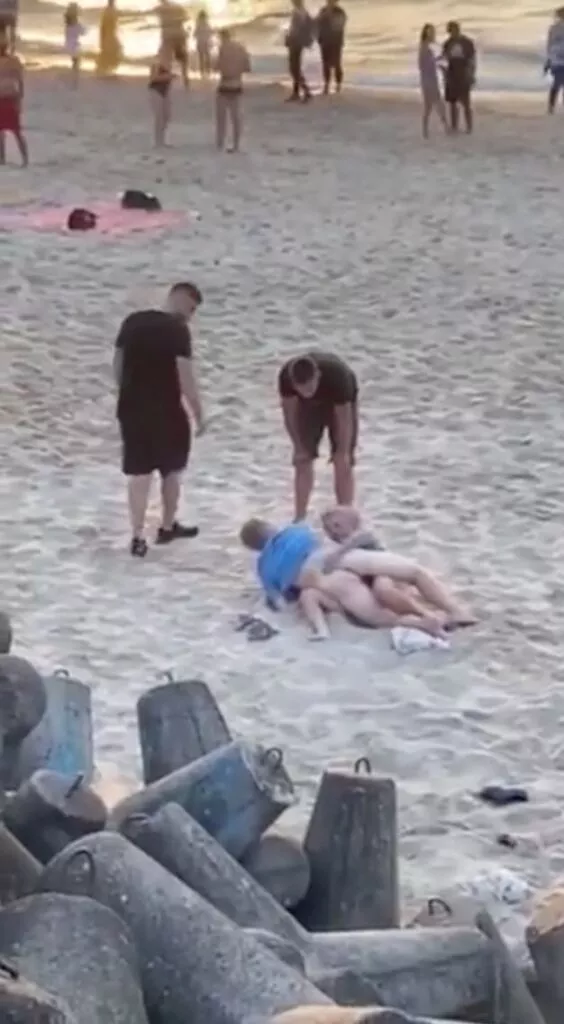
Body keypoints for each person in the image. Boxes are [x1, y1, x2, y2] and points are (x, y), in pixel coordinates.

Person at [240, 518, 473, 640]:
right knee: (414, 572)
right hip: (334, 556)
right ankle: (456, 610)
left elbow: (280, 602)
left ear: (256, 549)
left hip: (320, 578)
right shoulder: (294, 530)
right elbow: (323, 539)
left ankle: (425, 623)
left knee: (381, 617)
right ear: (270, 527)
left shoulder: (264, 567)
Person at [113, 282, 206, 557]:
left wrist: (126, 392)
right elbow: (185, 377)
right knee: (172, 470)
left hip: (131, 409)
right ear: (180, 298)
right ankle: (166, 526)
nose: (190, 316)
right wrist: (199, 414)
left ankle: (137, 536)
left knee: (139, 474)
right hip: (167, 411)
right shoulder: (177, 330)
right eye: (191, 309)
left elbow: (117, 363)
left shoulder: (132, 321)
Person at [278, 351, 357, 521]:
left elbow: (344, 419)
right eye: (302, 389)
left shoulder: (338, 377)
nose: (307, 392)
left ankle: (345, 514)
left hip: (339, 402)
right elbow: (289, 414)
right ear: (294, 384)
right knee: (302, 459)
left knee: (342, 460)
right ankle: (299, 518)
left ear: (318, 376)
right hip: (307, 408)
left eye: (310, 387)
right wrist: (298, 446)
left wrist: (343, 450)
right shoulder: (286, 378)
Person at [214, 28, 250, 152]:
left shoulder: (223, 48)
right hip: (237, 84)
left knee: (221, 117)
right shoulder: (241, 48)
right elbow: (247, 67)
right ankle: (236, 144)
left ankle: (220, 143)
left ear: (222, 37)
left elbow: (217, 66)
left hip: (225, 84)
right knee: (236, 117)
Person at [441, 20, 476, 134]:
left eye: (454, 30)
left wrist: (471, 74)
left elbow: (472, 60)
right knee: (452, 102)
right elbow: (444, 59)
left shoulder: (467, 42)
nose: (452, 33)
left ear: (458, 30)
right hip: (451, 73)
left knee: (466, 102)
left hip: (463, 73)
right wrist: (444, 73)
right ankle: (454, 126)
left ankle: (469, 127)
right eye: (450, 31)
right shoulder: (447, 43)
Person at [0, 29, 27, 166]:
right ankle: (7, 159)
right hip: (9, 97)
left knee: (14, 131)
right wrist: (20, 98)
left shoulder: (14, 61)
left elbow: (20, 80)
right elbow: (20, 81)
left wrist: (19, 98)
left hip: (8, 97)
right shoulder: (14, 61)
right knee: (13, 131)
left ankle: (7, 159)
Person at [418, 24, 447, 138]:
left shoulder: (427, 47)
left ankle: (426, 131)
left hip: (430, 79)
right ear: (426, 33)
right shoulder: (424, 47)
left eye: (433, 31)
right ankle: (445, 127)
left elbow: (430, 63)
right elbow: (425, 65)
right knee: (436, 105)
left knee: (431, 106)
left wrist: (439, 61)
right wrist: (440, 62)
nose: (432, 34)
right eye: (430, 32)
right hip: (429, 81)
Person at [285, 0, 313, 102]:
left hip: (296, 42)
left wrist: (289, 38)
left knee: (294, 68)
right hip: (298, 42)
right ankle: (296, 92)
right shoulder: (302, 11)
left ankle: (306, 91)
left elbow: (296, 29)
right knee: (295, 68)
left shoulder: (299, 12)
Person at [316, 0, 346, 95]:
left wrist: (329, 17)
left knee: (337, 64)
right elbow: (317, 23)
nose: (329, 2)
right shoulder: (323, 10)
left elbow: (339, 26)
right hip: (324, 42)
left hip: (336, 42)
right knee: (325, 64)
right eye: (328, 1)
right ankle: (326, 85)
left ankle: (338, 85)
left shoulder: (340, 12)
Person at [157, 0, 188, 88]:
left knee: (167, 58)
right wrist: (177, 20)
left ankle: (166, 80)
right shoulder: (178, 7)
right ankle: (185, 76)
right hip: (180, 33)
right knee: (183, 57)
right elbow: (185, 17)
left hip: (167, 35)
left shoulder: (160, 9)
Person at [148, 42, 174, 147]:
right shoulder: (156, 63)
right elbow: (153, 78)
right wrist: (167, 77)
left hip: (165, 91)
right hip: (155, 90)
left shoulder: (169, 64)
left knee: (166, 116)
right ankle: (158, 141)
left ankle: (163, 139)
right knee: (159, 117)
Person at [96, 0, 123, 76]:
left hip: (110, 34)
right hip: (109, 34)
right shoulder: (110, 11)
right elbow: (104, 26)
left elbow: (104, 26)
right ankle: (105, 69)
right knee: (111, 50)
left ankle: (105, 69)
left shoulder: (110, 10)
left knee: (110, 50)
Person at [545, 8, 564, 113]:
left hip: (556, 59)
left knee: (557, 83)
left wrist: (549, 60)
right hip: (557, 59)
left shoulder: (553, 28)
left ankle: (551, 107)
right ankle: (551, 107)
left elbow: (549, 45)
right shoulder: (554, 28)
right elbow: (550, 44)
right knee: (558, 83)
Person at [63, 3, 86, 87]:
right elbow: (83, 32)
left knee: (75, 62)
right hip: (75, 45)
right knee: (76, 63)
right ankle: (74, 81)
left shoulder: (68, 24)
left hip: (68, 44)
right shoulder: (76, 24)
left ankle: (73, 80)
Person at [194, 9, 212, 78]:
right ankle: (208, 70)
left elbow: (195, 34)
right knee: (207, 56)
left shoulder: (198, 24)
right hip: (206, 42)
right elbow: (210, 32)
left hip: (200, 42)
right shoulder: (207, 23)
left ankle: (202, 71)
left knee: (201, 57)